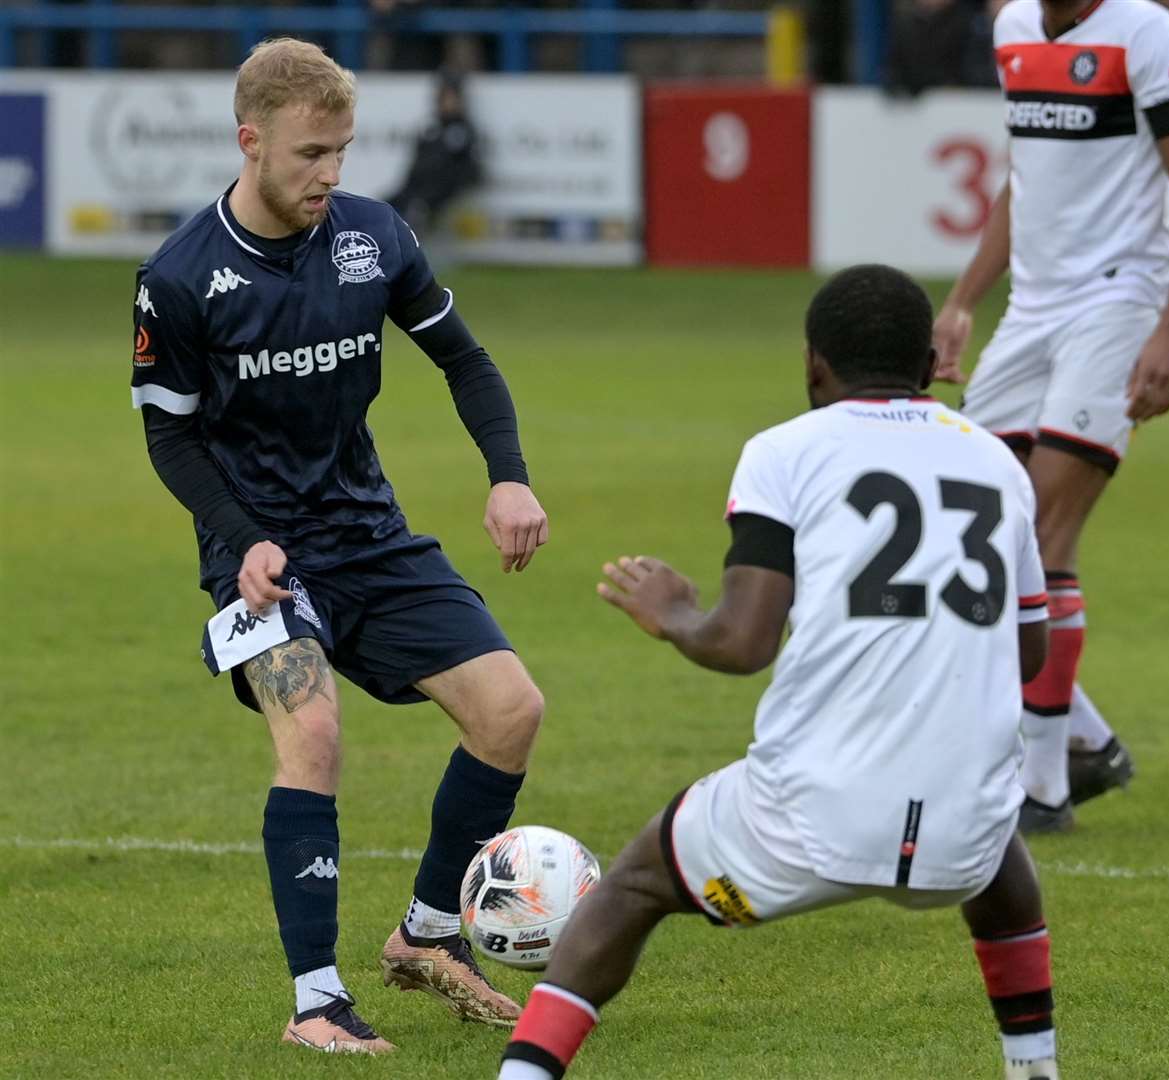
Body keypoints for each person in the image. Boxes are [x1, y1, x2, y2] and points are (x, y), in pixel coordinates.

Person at [498, 265, 1060, 1080]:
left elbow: (741, 641)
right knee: (998, 845)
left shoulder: (784, 451)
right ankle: (1034, 1066)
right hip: (959, 841)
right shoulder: (995, 464)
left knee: (631, 886)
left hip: (811, 818)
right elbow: (1029, 654)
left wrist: (673, 613)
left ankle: (521, 1076)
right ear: (929, 360)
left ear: (812, 364)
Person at [131, 37, 549, 1053]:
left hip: (369, 536)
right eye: (311, 152)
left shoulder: (372, 236)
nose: (330, 173)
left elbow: (464, 359)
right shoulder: (181, 279)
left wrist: (507, 473)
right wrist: (240, 541)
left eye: (343, 151)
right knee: (311, 738)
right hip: (260, 561)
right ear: (251, 141)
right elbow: (170, 434)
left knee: (510, 711)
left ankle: (428, 937)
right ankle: (317, 1003)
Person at [932, 0, 1169, 832]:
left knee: (1046, 531)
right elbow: (1022, 183)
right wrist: (960, 302)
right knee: (972, 529)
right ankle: (1088, 743)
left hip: (1116, 305)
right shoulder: (1013, 29)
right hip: (1030, 311)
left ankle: (1044, 790)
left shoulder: (1142, 32)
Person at [385, 69, 482, 233]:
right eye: (443, 98)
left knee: (417, 208)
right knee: (386, 204)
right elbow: (416, 164)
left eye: (451, 98)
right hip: (415, 188)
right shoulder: (430, 127)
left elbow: (461, 171)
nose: (446, 103)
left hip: (440, 193)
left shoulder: (463, 130)